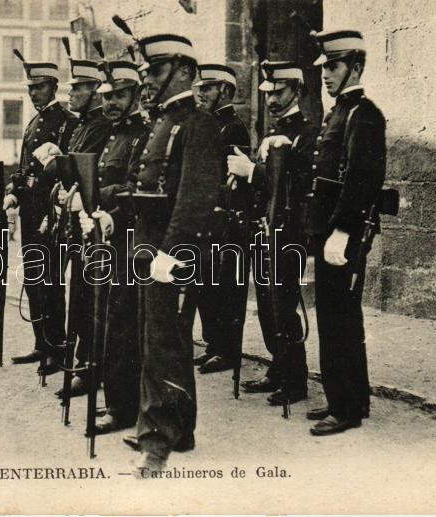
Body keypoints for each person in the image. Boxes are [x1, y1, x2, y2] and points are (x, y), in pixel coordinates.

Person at [119, 32, 222, 475]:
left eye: (156, 71)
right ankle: (178, 428)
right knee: (159, 338)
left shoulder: (198, 124)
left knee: (165, 343)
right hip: (149, 244)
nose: (147, 82)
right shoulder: (160, 123)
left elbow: (195, 197)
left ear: (182, 71)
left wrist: (171, 252)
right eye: (146, 72)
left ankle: (157, 440)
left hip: (171, 250)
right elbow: (143, 185)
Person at [304, 30, 386, 435]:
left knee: (340, 320)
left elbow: (362, 179)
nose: (325, 75)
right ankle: (351, 398)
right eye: (324, 68)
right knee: (336, 317)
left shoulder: (363, 114)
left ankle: (346, 408)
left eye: (333, 67)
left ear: (355, 66)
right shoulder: (339, 111)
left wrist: (343, 231)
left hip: (343, 234)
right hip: (329, 231)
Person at [227, 61, 317, 406]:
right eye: (268, 94)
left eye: (279, 93)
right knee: (266, 305)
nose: (272, 100)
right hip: (264, 231)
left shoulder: (307, 134)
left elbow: (298, 186)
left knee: (283, 306)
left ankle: (295, 381)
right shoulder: (272, 132)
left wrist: (253, 172)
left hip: (288, 232)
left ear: (297, 91)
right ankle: (278, 369)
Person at [78, 57, 147, 433]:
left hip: (130, 241)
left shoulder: (141, 134)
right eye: (108, 96)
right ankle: (114, 399)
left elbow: (134, 188)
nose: (111, 102)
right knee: (104, 319)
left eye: (120, 95)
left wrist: (101, 202)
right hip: (106, 238)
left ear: (135, 94)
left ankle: (122, 409)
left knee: (122, 327)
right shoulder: (114, 133)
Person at [38, 53, 112, 398]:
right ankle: (81, 361)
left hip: (91, 222)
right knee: (79, 297)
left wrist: (59, 166)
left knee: (89, 299)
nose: (72, 93)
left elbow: (86, 177)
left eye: (79, 87)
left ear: (96, 90)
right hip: (72, 219)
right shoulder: (81, 125)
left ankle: (87, 364)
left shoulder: (100, 126)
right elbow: (67, 174)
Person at [2, 53, 77, 373]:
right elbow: (25, 168)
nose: (34, 94)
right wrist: (12, 191)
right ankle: (41, 343)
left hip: (51, 215)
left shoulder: (65, 121)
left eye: (40, 88)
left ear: (54, 87)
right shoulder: (34, 122)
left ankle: (57, 351)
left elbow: (64, 170)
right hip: (31, 214)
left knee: (51, 282)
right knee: (34, 280)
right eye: (31, 88)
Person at [191, 63, 251, 375]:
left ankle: (229, 350)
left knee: (226, 288)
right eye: (199, 88)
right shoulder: (208, 124)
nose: (200, 93)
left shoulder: (233, 128)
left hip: (225, 220)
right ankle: (214, 344)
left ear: (225, 91)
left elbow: (232, 178)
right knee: (205, 286)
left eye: (208, 88)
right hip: (206, 218)